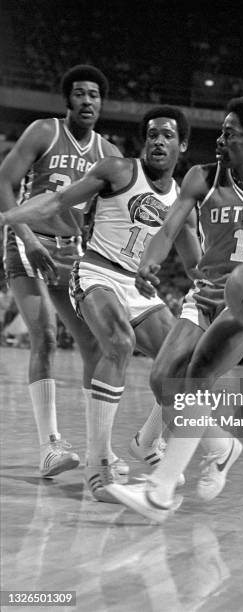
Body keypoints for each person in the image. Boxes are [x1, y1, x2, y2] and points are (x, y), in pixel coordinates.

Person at [105, 96, 243, 522]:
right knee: (164, 381)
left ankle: (160, 492)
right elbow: (170, 226)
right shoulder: (202, 176)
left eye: (229, 133)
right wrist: (152, 259)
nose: (219, 139)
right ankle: (221, 447)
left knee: (196, 379)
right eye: (221, 131)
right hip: (202, 296)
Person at [0, 105, 201, 501]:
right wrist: (9, 217)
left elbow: (196, 265)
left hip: (137, 287)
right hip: (94, 272)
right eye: (152, 134)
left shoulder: (181, 200)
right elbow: (56, 202)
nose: (158, 141)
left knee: (182, 363)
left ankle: (146, 441)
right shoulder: (118, 170)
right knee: (119, 343)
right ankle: (97, 468)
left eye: (167, 135)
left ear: (183, 144)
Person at [0, 65, 122, 478]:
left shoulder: (109, 155)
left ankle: (98, 449)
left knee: (93, 342)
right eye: (80, 94)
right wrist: (30, 242)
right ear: (67, 100)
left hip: (72, 251)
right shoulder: (43, 132)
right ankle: (50, 446)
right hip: (27, 238)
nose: (87, 101)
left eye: (94, 95)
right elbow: (4, 183)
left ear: (102, 104)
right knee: (46, 336)